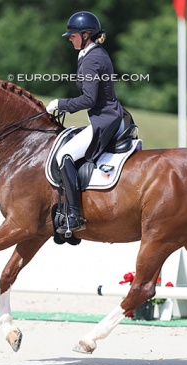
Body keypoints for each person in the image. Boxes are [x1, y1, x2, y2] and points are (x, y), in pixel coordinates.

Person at [46, 11, 125, 236]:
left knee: (64, 156)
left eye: (73, 35)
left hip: (104, 120)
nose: (69, 39)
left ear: (86, 35)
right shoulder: (90, 54)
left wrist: (60, 104)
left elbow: (89, 99)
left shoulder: (92, 59)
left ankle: (74, 216)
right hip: (107, 116)